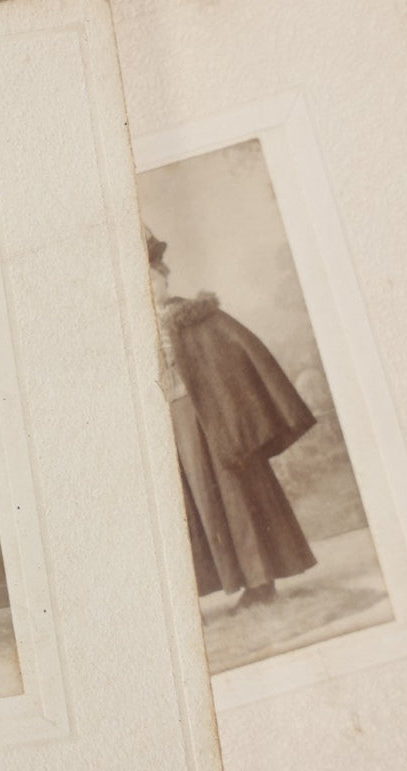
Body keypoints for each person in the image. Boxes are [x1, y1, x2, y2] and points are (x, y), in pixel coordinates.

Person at [146, 228, 317, 608]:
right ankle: (235, 582)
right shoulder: (134, 330)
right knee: (203, 500)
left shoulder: (197, 317)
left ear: (164, 278)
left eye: (153, 278)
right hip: (175, 424)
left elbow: (245, 354)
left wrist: (240, 413)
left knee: (237, 494)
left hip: (216, 421)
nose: (148, 287)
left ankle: (261, 582)